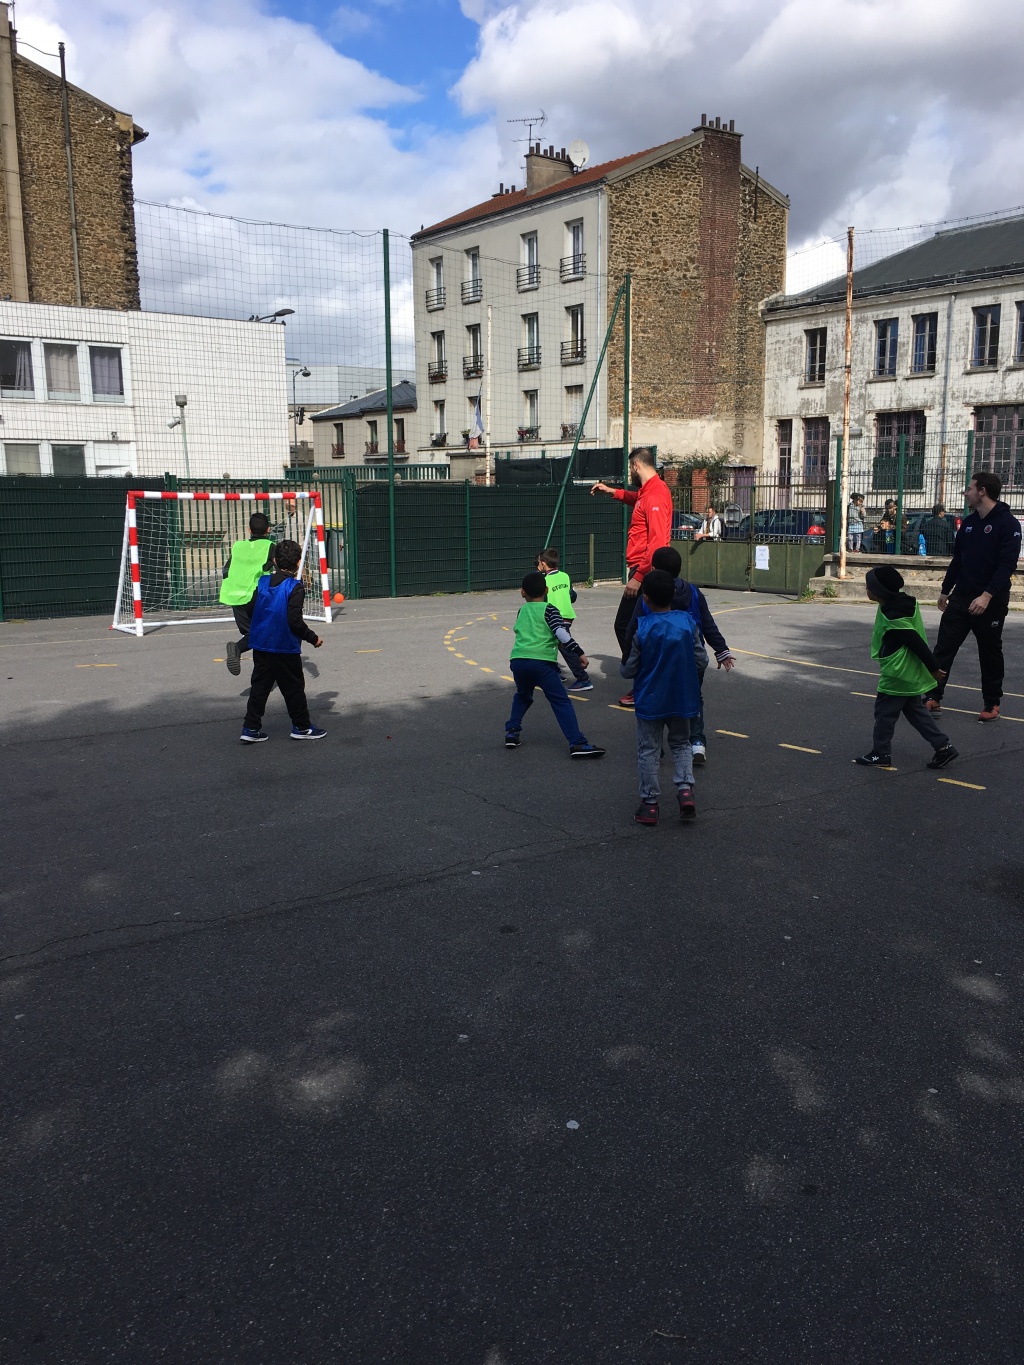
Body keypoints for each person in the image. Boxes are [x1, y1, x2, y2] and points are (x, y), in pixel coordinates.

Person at [621, 544, 735, 765]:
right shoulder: (693, 592)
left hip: (655, 658)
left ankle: (656, 746)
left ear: (654, 568)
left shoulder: (648, 594)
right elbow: (707, 623)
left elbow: (632, 629)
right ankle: (697, 742)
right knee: (693, 698)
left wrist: (627, 660)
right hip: (689, 658)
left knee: (656, 697)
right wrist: (721, 650)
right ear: (680, 568)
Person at [925, 470, 1022, 723]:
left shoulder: (1008, 524)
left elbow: (1007, 565)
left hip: (991, 600)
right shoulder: (968, 523)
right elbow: (958, 560)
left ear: (982, 491)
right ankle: (933, 697)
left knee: (990, 652)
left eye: (969, 488)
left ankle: (992, 703)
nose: (966, 493)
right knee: (944, 647)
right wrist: (945, 591)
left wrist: (987, 596)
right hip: (962, 596)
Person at [589, 448, 672, 704]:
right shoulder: (649, 491)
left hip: (646, 571)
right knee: (637, 627)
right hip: (644, 569)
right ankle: (650, 679)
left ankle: (646, 682)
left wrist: (639, 576)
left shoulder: (655, 494)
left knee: (627, 626)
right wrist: (612, 492)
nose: (629, 474)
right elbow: (637, 499)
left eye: (629, 469)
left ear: (636, 466)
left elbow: (657, 543)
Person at [854, 566, 957, 770]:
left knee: (884, 713)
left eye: (868, 587)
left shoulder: (895, 615)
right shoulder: (902, 602)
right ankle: (943, 747)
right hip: (908, 671)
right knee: (916, 712)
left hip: (898, 672)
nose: (866, 589)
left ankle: (880, 753)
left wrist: (933, 668)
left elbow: (915, 642)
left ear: (879, 592)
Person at [620, 569, 701, 824]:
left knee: (649, 750)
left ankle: (650, 804)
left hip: (650, 699)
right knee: (681, 743)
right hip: (681, 697)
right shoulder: (688, 623)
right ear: (673, 594)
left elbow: (628, 669)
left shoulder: (642, 627)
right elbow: (702, 660)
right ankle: (685, 790)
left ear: (645, 598)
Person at [504, 571, 605, 759]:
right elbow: (561, 633)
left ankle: (512, 731)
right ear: (547, 590)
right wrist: (579, 652)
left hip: (518, 661)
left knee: (523, 696)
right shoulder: (550, 610)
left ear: (522, 592)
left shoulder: (522, 611)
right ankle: (577, 742)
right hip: (542, 663)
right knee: (561, 701)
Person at [240, 538, 325, 743]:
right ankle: (302, 727)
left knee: (259, 688)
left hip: (261, 645)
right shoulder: (294, 587)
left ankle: (250, 727)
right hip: (284, 647)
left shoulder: (262, 582)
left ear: (275, 561)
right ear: (298, 563)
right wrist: (312, 638)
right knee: (293, 688)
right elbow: (294, 621)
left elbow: (250, 608)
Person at [220, 511, 276, 675]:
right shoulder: (270, 546)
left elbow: (225, 570)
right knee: (268, 631)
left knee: (253, 634)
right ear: (268, 529)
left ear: (249, 530)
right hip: (255, 594)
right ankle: (239, 650)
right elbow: (281, 570)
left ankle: (239, 652)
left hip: (234, 595)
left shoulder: (238, 546)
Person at [536, 546, 591, 692]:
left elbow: (542, 600)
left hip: (555, 616)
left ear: (543, 563)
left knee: (565, 646)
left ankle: (583, 678)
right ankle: (553, 672)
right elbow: (572, 596)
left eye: (539, 563)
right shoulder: (565, 576)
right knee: (550, 643)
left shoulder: (544, 580)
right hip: (568, 614)